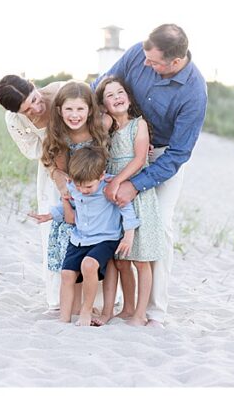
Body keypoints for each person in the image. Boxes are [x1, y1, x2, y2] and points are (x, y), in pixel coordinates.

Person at [93, 23, 208, 327]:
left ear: (175, 61)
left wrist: (136, 184)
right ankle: (103, 303)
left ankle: (154, 311)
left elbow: (179, 154)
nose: (145, 64)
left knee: (160, 227)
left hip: (161, 156)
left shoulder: (194, 92)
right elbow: (102, 85)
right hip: (118, 144)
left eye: (153, 61)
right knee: (105, 219)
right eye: (145, 57)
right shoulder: (136, 54)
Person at [29, 146, 139, 327]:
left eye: (88, 186)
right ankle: (63, 319)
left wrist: (128, 236)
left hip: (105, 239)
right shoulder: (74, 186)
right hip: (79, 237)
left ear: (101, 176)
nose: (83, 190)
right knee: (66, 273)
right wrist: (48, 215)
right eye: (79, 185)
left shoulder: (110, 187)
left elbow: (127, 210)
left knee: (88, 265)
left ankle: (86, 311)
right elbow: (67, 206)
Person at [96, 76, 168, 326]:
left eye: (120, 92)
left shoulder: (139, 125)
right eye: (110, 95)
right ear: (103, 104)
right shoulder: (107, 128)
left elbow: (139, 160)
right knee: (120, 259)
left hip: (137, 193)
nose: (117, 97)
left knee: (140, 257)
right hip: (113, 199)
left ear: (128, 96)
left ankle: (140, 313)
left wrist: (117, 182)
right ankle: (126, 308)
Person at [39, 81, 113, 317]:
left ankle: (90, 306)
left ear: (90, 110)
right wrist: (64, 191)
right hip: (73, 199)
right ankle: (70, 306)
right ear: (59, 110)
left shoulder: (102, 127)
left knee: (94, 256)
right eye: (69, 109)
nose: (74, 115)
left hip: (98, 201)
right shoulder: (59, 135)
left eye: (80, 109)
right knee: (70, 254)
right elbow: (58, 170)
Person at [0, 75, 68, 311]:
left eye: (35, 100)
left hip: (85, 162)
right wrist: (58, 175)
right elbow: (36, 150)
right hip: (50, 170)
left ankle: (95, 297)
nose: (36, 109)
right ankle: (60, 298)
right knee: (54, 231)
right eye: (27, 110)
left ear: (34, 86)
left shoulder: (63, 90)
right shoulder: (14, 120)